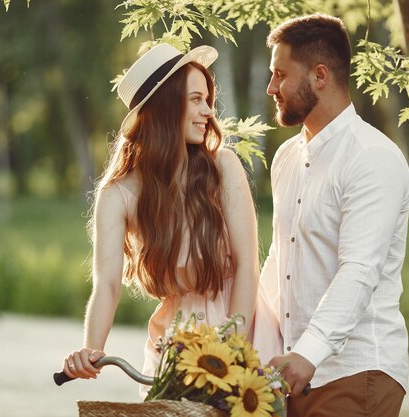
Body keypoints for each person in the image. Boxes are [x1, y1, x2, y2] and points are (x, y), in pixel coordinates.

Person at [61, 43, 281, 395]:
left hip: (240, 321)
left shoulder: (223, 167)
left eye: (207, 99)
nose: (208, 111)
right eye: (196, 99)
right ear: (165, 106)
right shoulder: (117, 194)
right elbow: (107, 285)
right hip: (175, 337)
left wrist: (232, 351)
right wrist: (91, 350)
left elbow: (246, 266)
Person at [261, 14, 409, 417]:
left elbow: (360, 270)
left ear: (320, 76)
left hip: (356, 373)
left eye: (280, 74)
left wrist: (308, 353)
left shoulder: (371, 157)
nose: (271, 88)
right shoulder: (287, 158)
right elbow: (279, 263)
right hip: (295, 376)